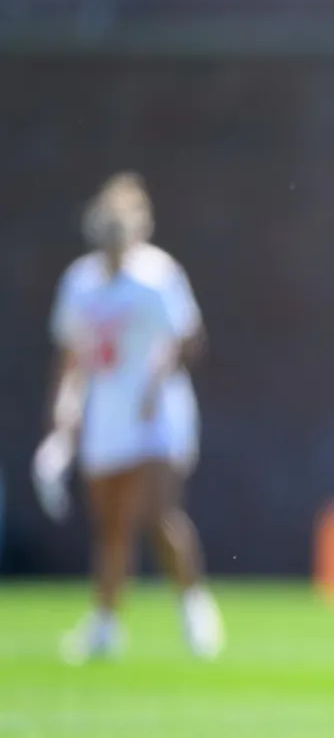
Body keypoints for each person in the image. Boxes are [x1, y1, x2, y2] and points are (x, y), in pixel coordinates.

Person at [43, 172, 223, 663]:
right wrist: (62, 419)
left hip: (157, 410)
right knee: (112, 523)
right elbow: (71, 356)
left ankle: (193, 605)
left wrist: (153, 382)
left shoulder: (157, 276)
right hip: (108, 413)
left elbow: (186, 337)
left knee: (156, 511)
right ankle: (106, 622)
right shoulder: (80, 282)